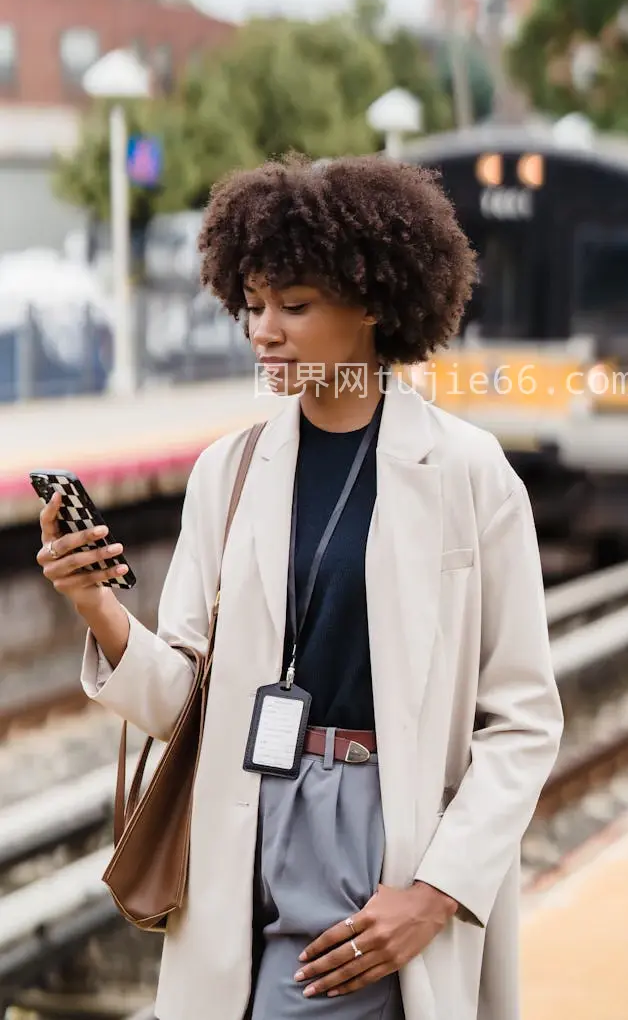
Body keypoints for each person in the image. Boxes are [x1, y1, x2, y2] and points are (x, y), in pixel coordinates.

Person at [37, 153, 564, 1020]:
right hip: (242, 827)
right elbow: (186, 705)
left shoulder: (469, 475)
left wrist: (433, 892)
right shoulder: (229, 473)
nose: (263, 331)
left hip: (381, 836)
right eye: (252, 306)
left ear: (370, 304)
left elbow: (523, 718)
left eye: (294, 305)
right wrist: (96, 605)